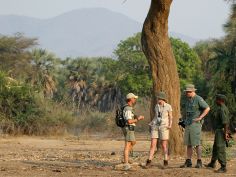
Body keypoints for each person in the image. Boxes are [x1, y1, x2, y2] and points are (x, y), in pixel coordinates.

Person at [180, 84, 210, 168]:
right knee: (188, 143)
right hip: (188, 124)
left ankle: (199, 161)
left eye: (188, 92)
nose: (187, 93)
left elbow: (207, 108)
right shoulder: (188, 100)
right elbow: (186, 112)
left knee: (197, 143)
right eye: (186, 92)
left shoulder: (198, 99)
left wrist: (200, 117)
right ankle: (188, 161)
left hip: (195, 124)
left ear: (192, 91)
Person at [146, 91, 173, 168]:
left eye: (159, 98)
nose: (158, 100)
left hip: (164, 126)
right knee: (152, 144)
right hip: (155, 126)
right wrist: (151, 123)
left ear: (163, 99)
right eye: (158, 98)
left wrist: (170, 125)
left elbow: (171, 117)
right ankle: (149, 161)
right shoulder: (156, 106)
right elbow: (156, 116)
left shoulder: (168, 106)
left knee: (164, 145)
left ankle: (165, 161)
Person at [205, 94, 230, 173]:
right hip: (219, 130)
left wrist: (226, 134)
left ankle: (223, 167)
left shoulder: (222, 109)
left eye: (216, 99)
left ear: (220, 101)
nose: (215, 101)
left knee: (220, 148)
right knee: (215, 147)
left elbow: (225, 123)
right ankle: (212, 163)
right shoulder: (222, 108)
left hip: (221, 131)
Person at [122, 93, 144, 170]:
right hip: (128, 128)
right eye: (134, 98)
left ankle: (125, 158)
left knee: (133, 142)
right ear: (130, 99)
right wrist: (138, 119)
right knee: (128, 145)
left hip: (129, 128)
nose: (135, 99)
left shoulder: (129, 108)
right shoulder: (128, 109)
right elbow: (129, 121)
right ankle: (126, 163)